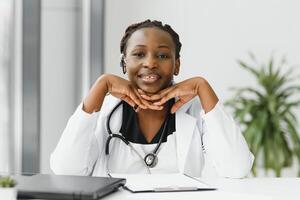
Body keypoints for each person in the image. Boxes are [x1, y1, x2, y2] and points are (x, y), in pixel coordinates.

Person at [50, 19, 254, 178]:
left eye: (163, 56)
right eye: (139, 54)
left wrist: (203, 87)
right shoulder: (104, 111)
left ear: (177, 65)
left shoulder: (196, 110)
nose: (150, 63)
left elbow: (236, 168)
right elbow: (66, 170)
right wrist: (101, 86)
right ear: (124, 64)